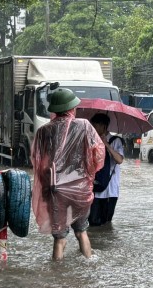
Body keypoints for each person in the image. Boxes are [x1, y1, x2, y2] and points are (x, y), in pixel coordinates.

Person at [31, 87, 105, 261]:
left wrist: (48, 188)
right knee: (82, 232)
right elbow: (99, 154)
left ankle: (56, 277)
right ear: (72, 108)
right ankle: (89, 265)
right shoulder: (85, 126)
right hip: (80, 190)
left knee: (60, 239)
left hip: (56, 191)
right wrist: (88, 175)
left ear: (54, 110)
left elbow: (38, 163)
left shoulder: (43, 132)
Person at [88, 113, 125, 227]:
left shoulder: (116, 141)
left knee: (106, 223)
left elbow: (119, 160)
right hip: (94, 188)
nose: (93, 129)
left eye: (95, 126)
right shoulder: (91, 141)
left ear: (104, 126)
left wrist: (107, 145)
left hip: (111, 190)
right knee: (93, 222)